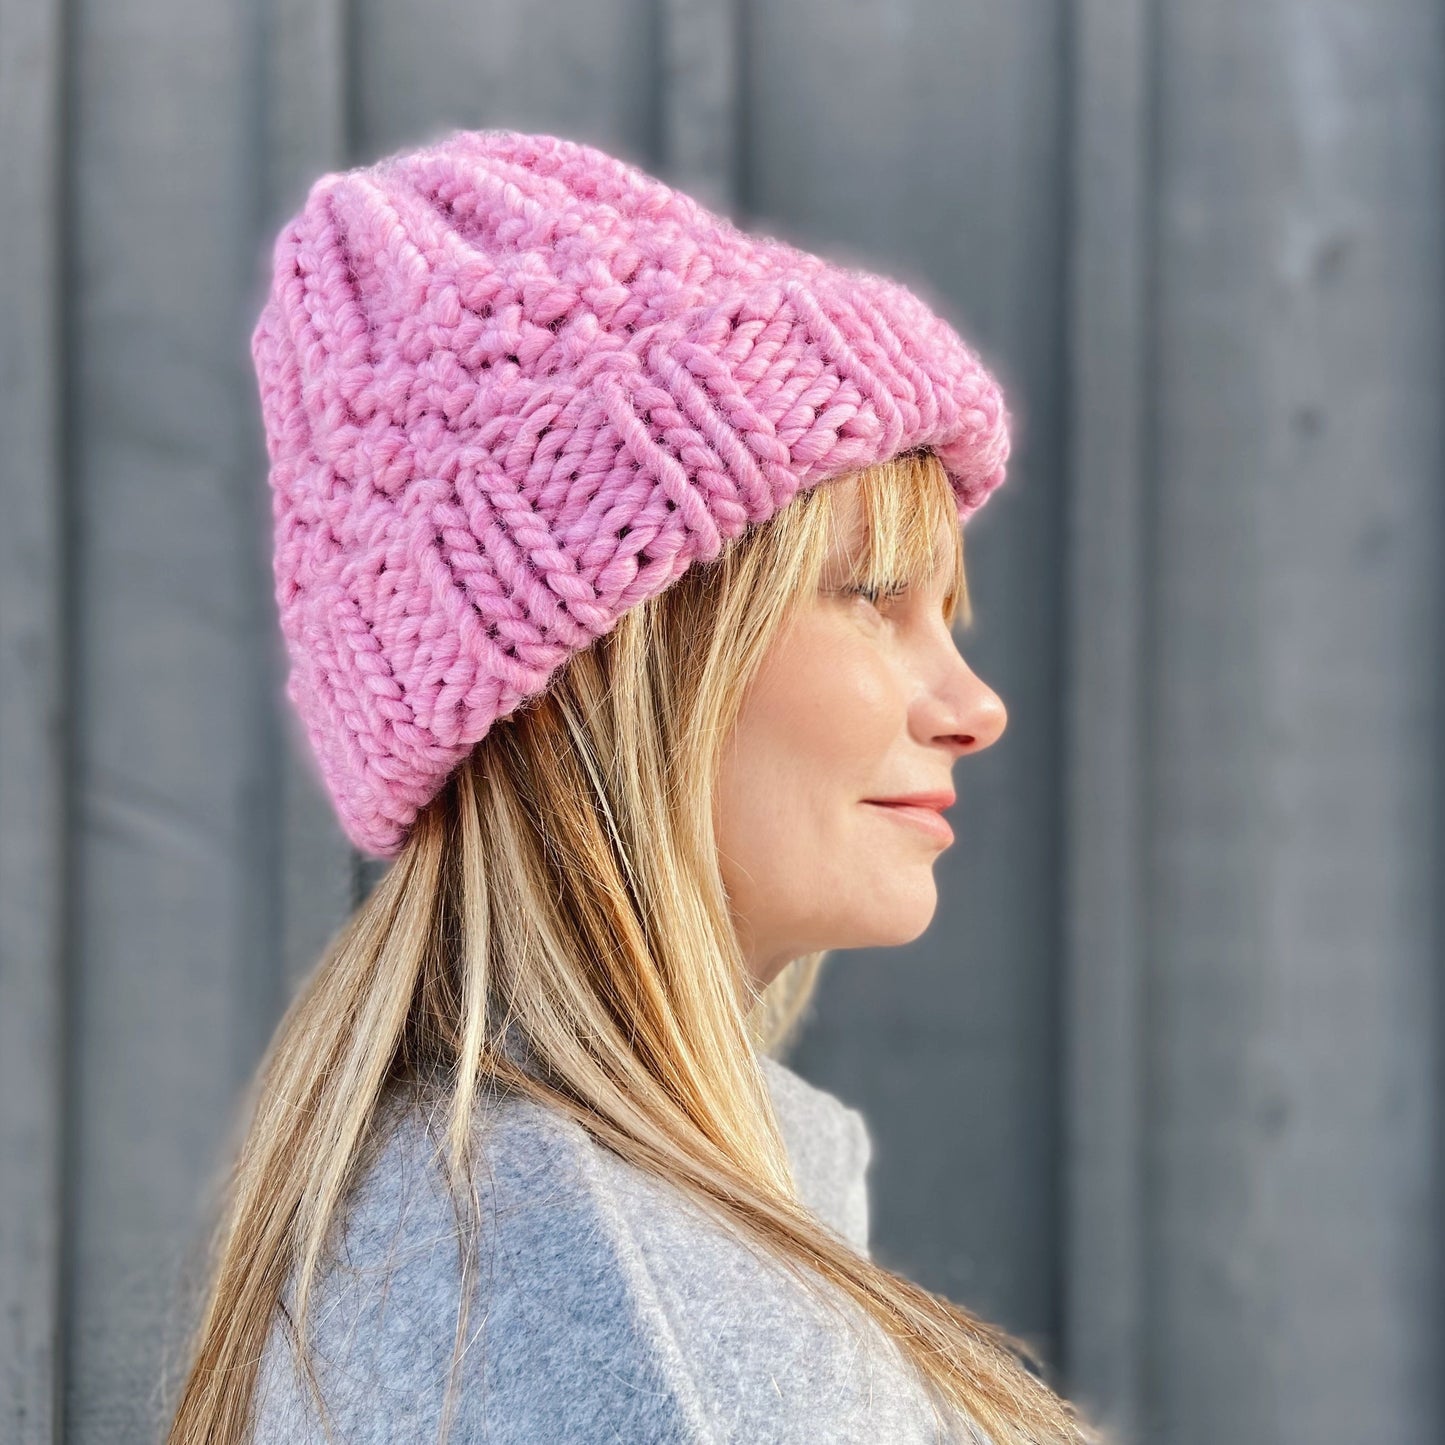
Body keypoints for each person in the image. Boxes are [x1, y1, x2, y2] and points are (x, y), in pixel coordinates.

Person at [165, 127, 1105, 1444]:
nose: (972, 706)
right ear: (615, 668)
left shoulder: (486, 1231)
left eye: (948, 613)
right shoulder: (615, 1322)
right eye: (873, 597)